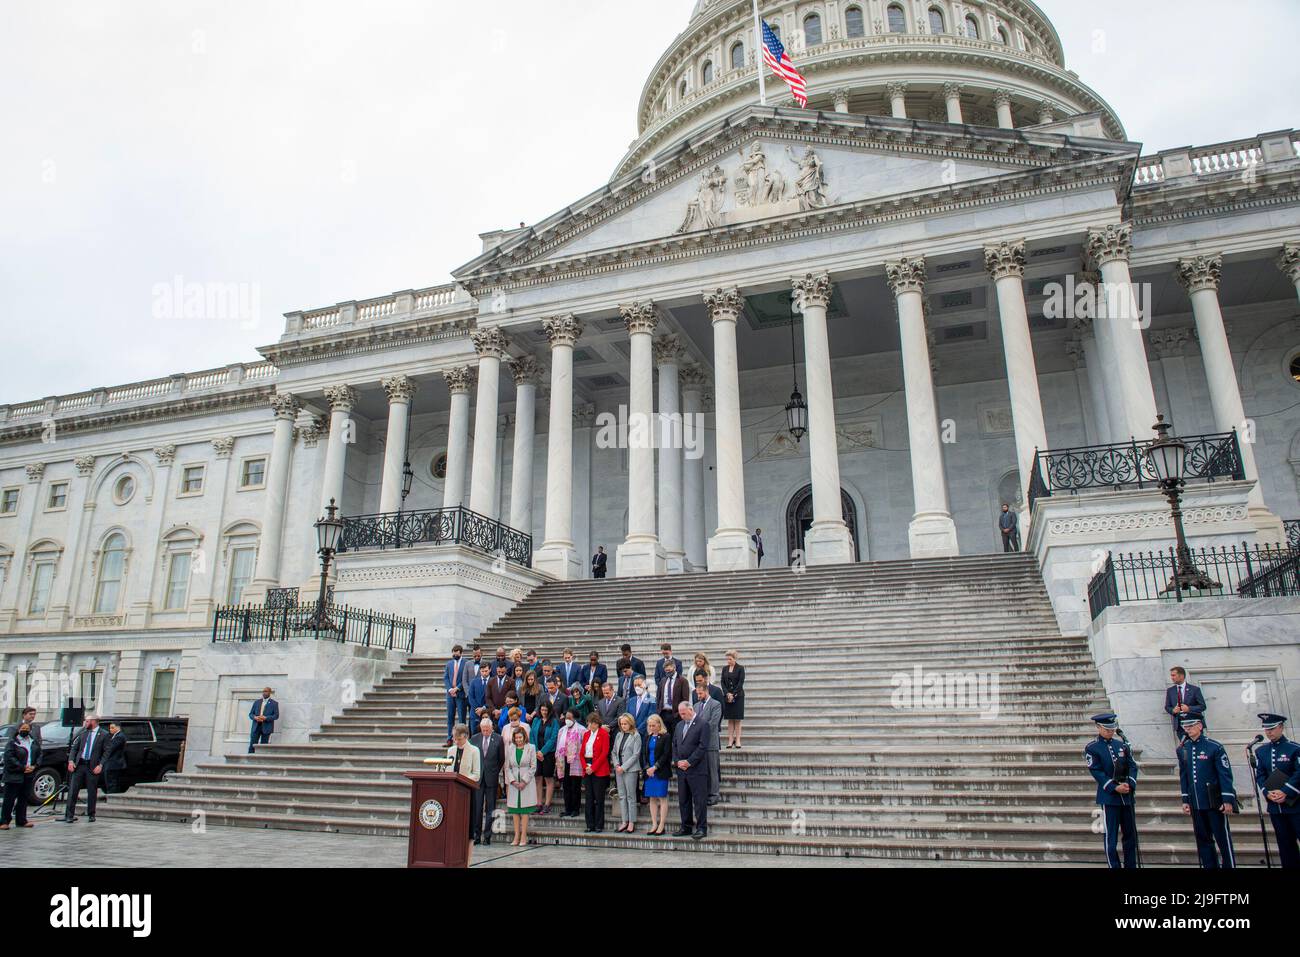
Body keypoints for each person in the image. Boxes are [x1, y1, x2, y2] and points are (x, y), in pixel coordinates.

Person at [1177, 711, 1238, 868]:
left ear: (1199, 726)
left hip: (1214, 801)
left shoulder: (1214, 747)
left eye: (1190, 726)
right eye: (1185, 726)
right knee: (1203, 840)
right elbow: (1184, 775)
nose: (1187, 729)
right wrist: (1185, 799)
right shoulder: (1184, 748)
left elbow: (1225, 774)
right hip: (1196, 802)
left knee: (1222, 839)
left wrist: (1227, 799)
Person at [1084, 712, 1139, 869]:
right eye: (1107, 729)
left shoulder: (1121, 745)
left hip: (1127, 796)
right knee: (1111, 837)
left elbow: (1132, 765)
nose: (1110, 731)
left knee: (1130, 835)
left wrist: (1130, 784)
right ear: (1099, 728)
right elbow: (1096, 771)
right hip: (1109, 798)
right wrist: (1114, 787)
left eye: (1112, 728)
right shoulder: (1092, 748)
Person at [1254, 712, 1300, 868]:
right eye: (1266, 729)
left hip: (1295, 806)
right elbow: (1260, 775)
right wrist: (1267, 792)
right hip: (1276, 807)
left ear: (1281, 727)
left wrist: (1286, 791)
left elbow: (1299, 772)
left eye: (1272, 729)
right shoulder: (1261, 751)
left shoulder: (1294, 749)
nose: (1269, 732)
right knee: (1285, 845)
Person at [672, 701, 710, 840]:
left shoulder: (703, 724)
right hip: (682, 770)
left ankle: (701, 828)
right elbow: (675, 744)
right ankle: (686, 826)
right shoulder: (679, 725)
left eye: (683, 713)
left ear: (690, 709)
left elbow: (702, 747)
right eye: (680, 714)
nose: (681, 716)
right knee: (684, 800)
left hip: (697, 770)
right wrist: (677, 761)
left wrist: (689, 762)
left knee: (699, 801)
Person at [62, 716, 107, 823]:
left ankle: (91, 814)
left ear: (93, 722)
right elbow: (75, 748)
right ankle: (69, 815)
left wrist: (100, 765)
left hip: (92, 766)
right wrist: (71, 761)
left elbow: (106, 752)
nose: (85, 723)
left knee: (92, 790)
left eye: (87, 721)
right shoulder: (83, 733)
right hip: (80, 765)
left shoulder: (104, 734)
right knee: (73, 790)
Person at [470, 718, 504, 845]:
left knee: (491, 808)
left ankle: (487, 836)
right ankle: (476, 835)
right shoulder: (474, 739)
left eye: (487, 730)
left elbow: (501, 759)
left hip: (491, 778)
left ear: (491, 728)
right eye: (483, 730)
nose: (485, 732)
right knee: (477, 808)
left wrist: (494, 771)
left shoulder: (499, 739)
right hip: (478, 779)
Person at [693, 673, 723, 805]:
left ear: (706, 691)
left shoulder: (716, 704)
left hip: (711, 743)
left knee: (712, 770)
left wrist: (699, 732)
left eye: (700, 694)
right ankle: (705, 793)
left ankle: (714, 794)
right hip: (699, 744)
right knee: (703, 771)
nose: (698, 696)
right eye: (697, 694)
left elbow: (713, 724)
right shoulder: (696, 706)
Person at [505, 727, 538, 846]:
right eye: (516, 737)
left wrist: (524, 781)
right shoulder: (510, 748)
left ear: (524, 737)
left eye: (520, 737)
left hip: (526, 784)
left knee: (524, 811)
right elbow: (507, 767)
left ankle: (523, 836)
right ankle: (516, 836)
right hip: (514, 784)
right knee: (515, 811)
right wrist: (513, 781)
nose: (518, 740)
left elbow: (533, 767)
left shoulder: (531, 748)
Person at [0, 722, 36, 830]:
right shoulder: (12, 742)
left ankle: (21, 820)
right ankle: (4, 821)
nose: (25, 730)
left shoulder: (33, 742)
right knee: (9, 799)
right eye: (23, 728)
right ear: (18, 729)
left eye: (27, 728)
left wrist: (34, 766)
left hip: (28, 774)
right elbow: (9, 758)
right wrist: (22, 767)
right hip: (14, 774)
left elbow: (38, 754)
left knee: (23, 798)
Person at [641, 714, 672, 835]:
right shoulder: (647, 737)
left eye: (653, 725)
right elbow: (644, 753)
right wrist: (648, 767)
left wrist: (655, 767)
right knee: (652, 798)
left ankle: (662, 824)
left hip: (660, 770)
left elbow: (666, 755)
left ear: (659, 724)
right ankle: (654, 823)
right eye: (649, 725)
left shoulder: (666, 736)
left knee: (662, 798)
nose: (651, 727)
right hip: (649, 772)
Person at [581, 711, 611, 833]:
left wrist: (593, 767)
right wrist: (585, 767)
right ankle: (589, 824)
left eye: (593, 723)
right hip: (587, 768)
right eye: (589, 723)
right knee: (589, 798)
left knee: (599, 799)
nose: (591, 725)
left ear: (597, 723)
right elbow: (581, 753)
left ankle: (599, 824)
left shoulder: (604, 734)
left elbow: (604, 753)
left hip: (599, 769)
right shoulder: (586, 734)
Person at [611, 713, 641, 833]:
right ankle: (624, 821)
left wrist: (623, 767)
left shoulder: (636, 736)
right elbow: (614, 752)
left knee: (630, 796)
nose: (623, 726)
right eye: (622, 724)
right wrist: (617, 764)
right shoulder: (618, 735)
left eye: (625, 723)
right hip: (619, 769)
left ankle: (631, 822)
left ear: (630, 723)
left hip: (630, 769)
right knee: (622, 796)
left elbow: (636, 754)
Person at [555, 709, 585, 818]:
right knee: (566, 786)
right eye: (566, 717)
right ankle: (568, 808)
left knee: (575, 786)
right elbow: (558, 746)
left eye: (570, 718)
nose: (567, 720)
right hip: (564, 761)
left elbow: (584, 746)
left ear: (575, 718)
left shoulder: (582, 730)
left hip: (576, 762)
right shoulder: (562, 730)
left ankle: (575, 809)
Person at [1164, 666, 1207, 743]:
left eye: (1173, 675)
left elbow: (1203, 706)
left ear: (1181, 676)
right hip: (1180, 726)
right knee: (1185, 750)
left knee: (1198, 747)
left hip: (1194, 725)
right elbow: (1167, 707)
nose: (1172, 677)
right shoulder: (1170, 691)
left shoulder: (1195, 689)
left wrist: (1189, 708)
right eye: (1171, 675)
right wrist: (1173, 710)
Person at [531, 701, 559, 815]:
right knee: (538, 778)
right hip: (537, 753)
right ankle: (538, 803)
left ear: (550, 710)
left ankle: (547, 804)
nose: (544, 712)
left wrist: (542, 752)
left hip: (548, 754)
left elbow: (553, 738)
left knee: (548, 778)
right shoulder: (536, 720)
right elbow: (532, 736)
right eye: (542, 710)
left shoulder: (554, 722)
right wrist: (537, 751)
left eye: (546, 710)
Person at [443, 644, 469, 745]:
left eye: (457, 654)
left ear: (461, 653)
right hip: (450, 695)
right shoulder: (449, 664)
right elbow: (446, 677)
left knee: (462, 718)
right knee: (450, 717)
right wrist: (450, 689)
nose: (455, 656)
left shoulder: (466, 663)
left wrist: (457, 688)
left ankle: (463, 738)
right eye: (453, 654)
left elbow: (465, 678)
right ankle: (450, 738)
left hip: (460, 694)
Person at [656, 658, 689, 734]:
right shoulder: (663, 680)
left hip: (676, 715)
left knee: (676, 737)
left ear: (674, 668)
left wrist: (680, 713)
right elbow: (659, 697)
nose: (667, 670)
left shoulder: (682, 681)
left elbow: (685, 699)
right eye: (665, 668)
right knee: (665, 738)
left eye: (669, 668)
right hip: (663, 714)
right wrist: (658, 711)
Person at [721, 649, 746, 748]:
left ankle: (738, 739)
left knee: (738, 719)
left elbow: (740, 683)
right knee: (730, 719)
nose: (728, 661)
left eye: (730, 659)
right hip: (727, 697)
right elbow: (722, 682)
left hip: (738, 696)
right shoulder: (725, 668)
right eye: (727, 659)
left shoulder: (740, 668)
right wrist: (727, 694)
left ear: (735, 659)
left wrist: (733, 694)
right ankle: (730, 740)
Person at [248, 687, 279, 753]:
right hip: (256, 727)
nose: (264, 693)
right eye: (263, 691)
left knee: (263, 747)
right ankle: (250, 760)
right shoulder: (257, 702)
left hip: (266, 727)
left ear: (270, 693)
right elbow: (250, 714)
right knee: (252, 745)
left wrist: (266, 718)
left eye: (266, 691)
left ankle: (261, 761)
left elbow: (276, 716)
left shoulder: (274, 703)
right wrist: (255, 717)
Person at [102, 722, 127, 796]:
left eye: (112, 728)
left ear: (118, 727)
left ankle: (112, 796)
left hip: (114, 763)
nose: (110, 730)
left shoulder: (119, 736)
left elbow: (110, 748)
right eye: (110, 728)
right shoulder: (114, 736)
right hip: (112, 763)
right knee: (111, 781)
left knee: (112, 782)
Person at [468, 662, 492, 727]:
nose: (484, 673)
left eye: (486, 671)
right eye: (482, 671)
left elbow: (493, 698)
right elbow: (471, 697)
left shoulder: (493, 681)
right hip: (475, 713)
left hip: (488, 713)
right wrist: (477, 709)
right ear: (480, 671)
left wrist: (484, 708)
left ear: (490, 670)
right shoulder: (474, 682)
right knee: (474, 734)